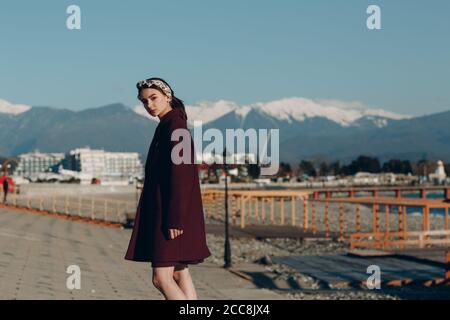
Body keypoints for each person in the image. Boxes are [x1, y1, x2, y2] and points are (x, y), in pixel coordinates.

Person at [124, 77, 211, 300]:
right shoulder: (170, 124)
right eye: (144, 102)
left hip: (170, 217)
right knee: (180, 274)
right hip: (172, 214)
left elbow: (180, 176)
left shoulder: (175, 126)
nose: (149, 105)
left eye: (153, 98)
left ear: (167, 96)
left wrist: (175, 218)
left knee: (161, 278)